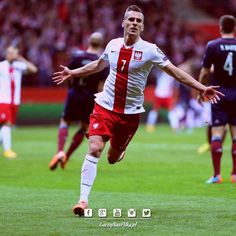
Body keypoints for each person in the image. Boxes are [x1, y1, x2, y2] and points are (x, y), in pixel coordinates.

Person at [52, 5, 224, 216]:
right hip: (104, 105)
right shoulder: (112, 45)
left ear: (142, 27)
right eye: (131, 19)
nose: (134, 23)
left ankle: (119, 149)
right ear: (123, 23)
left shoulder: (150, 50)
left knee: (112, 158)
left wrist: (201, 87)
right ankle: (83, 201)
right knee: (95, 148)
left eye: (138, 21)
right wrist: (73, 72)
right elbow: (97, 65)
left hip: (130, 113)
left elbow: (176, 73)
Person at [49, 32, 108, 170]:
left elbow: (68, 75)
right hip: (89, 98)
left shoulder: (77, 57)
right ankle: (67, 156)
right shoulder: (101, 63)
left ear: (89, 41)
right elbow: (101, 87)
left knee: (65, 122)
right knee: (83, 128)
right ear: (101, 44)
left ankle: (60, 151)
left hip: (74, 94)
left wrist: (71, 90)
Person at [198, 15, 236, 183]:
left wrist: (201, 91)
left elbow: (205, 72)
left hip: (218, 94)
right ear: (234, 29)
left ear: (220, 28)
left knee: (217, 134)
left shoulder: (212, 45)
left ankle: (216, 175)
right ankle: (235, 174)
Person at [0, 46, 38, 158]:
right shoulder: (1, 65)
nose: (11, 55)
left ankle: (7, 149)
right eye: (9, 52)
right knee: (6, 124)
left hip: (15, 100)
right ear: (6, 53)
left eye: (14, 53)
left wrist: (22, 59)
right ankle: (7, 151)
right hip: (3, 100)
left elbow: (34, 69)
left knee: (7, 126)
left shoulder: (18, 66)